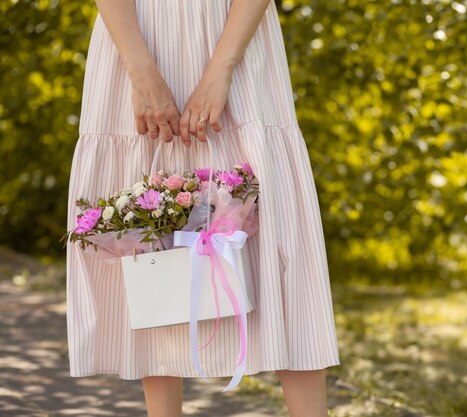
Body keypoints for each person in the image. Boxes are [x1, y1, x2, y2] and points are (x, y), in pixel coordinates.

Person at [64, 1, 341, 416]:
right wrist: (141, 72)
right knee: (148, 223)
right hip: (137, 34)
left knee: (278, 226)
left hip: (236, 33)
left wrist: (220, 69)